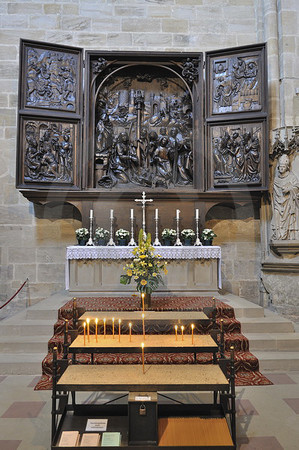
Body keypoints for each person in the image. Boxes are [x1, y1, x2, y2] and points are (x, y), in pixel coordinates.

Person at [271, 154, 299, 240]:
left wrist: (289, 189)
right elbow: (272, 192)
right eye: (280, 167)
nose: (281, 168)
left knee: (290, 218)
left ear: (287, 167)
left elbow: (296, 188)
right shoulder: (276, 180)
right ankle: (278, 235)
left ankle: (290, 235)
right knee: (276, 216)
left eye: (283, 167)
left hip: (289, 204)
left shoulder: (292, 177)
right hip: (278, 204)